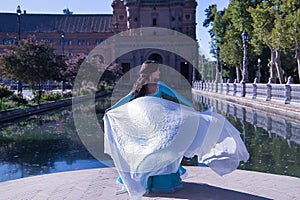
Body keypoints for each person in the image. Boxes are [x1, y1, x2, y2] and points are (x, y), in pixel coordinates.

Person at [104, 60, 249, 199]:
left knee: (151, 152)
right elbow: (128, 99)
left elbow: (177, 97)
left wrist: (190, 107)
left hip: (156, 127)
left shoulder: (155, 86)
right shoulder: (145, 87)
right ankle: (155, 182)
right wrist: (112, 109)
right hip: (147, 127)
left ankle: (147, 182)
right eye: (158, 70)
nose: (160, 72)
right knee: (153, 152)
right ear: (152, 72)